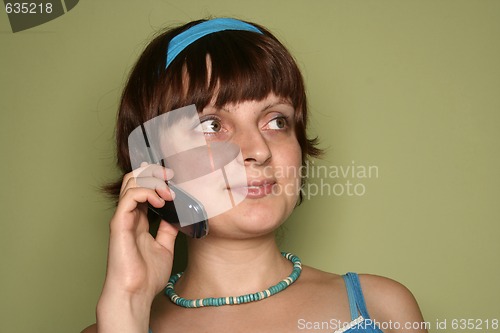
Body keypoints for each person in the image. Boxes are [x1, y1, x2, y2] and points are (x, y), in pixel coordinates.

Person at [82, 18, 427, 333]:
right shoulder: (116, 325)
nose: (259, 150)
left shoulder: (384, 310)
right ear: (150, 160)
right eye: (213, 125)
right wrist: (129, 305)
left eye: (277, 121)